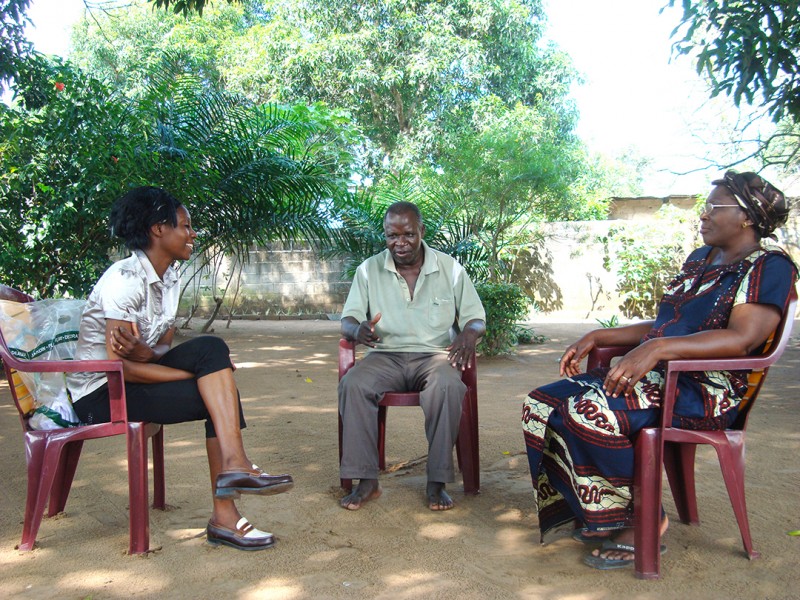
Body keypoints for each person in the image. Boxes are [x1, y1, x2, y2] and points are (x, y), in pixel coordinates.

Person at [521, 171, 798, 570]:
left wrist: (658, 348)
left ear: (747, 218)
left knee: (589, 412)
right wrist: (601, 336)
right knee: (541, 404)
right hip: (659, 378)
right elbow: (663, 327)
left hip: (705, 390)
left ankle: (643, 518)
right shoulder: (700, 260)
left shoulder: (769, 267)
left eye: (713, 207)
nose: (702, 215)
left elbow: (741, 339)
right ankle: (593, 511)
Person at [66, 186, 293, 552]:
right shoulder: (124, 280)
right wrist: (197, 376)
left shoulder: (168, 279)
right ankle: (226, 513)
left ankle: (234, 471)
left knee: (212, 349)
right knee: (218, 390)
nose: (193, 234)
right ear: (159, 229)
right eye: (185, 226)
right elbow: (119, 369)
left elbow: (161, 347)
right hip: (101, 394)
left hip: (136, 375)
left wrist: (150, 351)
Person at [338, 202, 486, 511]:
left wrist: (468, 333)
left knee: (447, 386)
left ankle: (437, 482)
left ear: (421, 232)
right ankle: (367, 482)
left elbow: (476, 318)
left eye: (407, 234)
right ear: (385, 234)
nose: (399, 243)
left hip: (434, 357)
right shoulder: (369, 269)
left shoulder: (450, 269)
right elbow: (348, 319)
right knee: (353, 384)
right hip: (385, 357)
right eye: (392, 235)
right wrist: (358, 331)